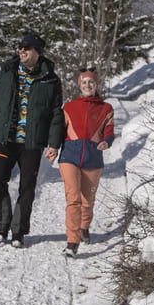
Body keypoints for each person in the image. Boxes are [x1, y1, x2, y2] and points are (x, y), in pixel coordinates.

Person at [0, 33, 65, 248]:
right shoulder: (6, 73)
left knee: (27, 187)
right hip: (5, 139)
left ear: (37, 52)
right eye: (20, 46)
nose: (21, 50)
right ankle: (4, 220)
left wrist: (54, 144)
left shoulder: (51, 80)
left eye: (26, 47)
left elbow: (56, 114)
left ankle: (18, 230)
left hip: (31, 144)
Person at [58, 67, 116, 257]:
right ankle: (72, 242)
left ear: (96, 84)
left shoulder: (106, 108)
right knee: (73, 199)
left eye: (91, 82)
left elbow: (109, 130)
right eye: (84, 82)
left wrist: (107, 141)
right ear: (79, 85)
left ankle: (84, 227)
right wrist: (52, 147)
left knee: (87, 200)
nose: (87, 85)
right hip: (69, 157)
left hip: (93, 159)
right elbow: (59, 131)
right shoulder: (68, 107)